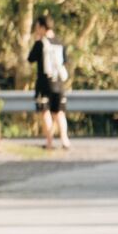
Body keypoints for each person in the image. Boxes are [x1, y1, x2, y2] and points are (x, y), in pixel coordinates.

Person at [29, 13, 72, 149]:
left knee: (46, 112)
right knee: (59, 113)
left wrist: (37, 40)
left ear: (42, 27)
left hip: (44, 84)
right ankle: (65, 140)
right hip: (59, 83)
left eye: (37, 27)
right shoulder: (60, 43)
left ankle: (49, 142)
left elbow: (30, 59)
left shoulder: (40, 43)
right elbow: (65, 62)